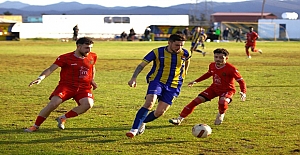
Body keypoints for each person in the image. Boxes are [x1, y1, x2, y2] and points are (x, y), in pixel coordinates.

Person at [24, 37, 98, 132]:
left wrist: (92, 80)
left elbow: (92, 67)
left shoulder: (92, 56)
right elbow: (50, 69)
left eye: (91, 48)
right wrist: (40, 78)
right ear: (78, 46)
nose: (89, 50)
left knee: (88, 104)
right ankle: (35, 126)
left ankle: (63, 118)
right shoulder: (65, 57)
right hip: (66, 87)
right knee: (53, 104)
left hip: (84, 87)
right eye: (87, 48)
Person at [126, 33, 192, 138]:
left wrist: (185, 73)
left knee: (160, 112)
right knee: (149, 103)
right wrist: (134, 78)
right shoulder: (157, 52)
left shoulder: (185, 53)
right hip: (157, 81)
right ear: (169, 43)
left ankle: (143, 122)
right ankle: (134, 129)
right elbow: (142, 65)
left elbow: (187, 61)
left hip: (174, 85)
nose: (179, 48)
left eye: (181, 45)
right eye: (177, 45)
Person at [169, 48, 247, 126]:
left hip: (227, 90)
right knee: (196, 101)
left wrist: (243, 92)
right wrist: (196, 81)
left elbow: (241, 81)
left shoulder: (231, 69)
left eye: (221, 58)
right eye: (216, 57)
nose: (218, 59)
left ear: (226, 58)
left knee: (222, 102)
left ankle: (221, 114)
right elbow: (209, 74)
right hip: (214, 88)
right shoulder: (212, 65)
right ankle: (179, 119)